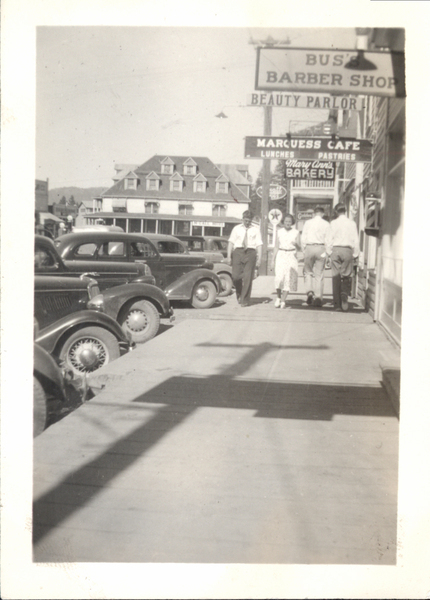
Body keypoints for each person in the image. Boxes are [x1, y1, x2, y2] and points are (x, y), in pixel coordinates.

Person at [327, 203, 359, 312]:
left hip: (336, 249)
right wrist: (355, 254)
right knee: (347, 275)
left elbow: (329, 239)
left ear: (336, 211)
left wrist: (329, 252)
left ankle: (337, 304)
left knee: (336, 277)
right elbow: (355, 239)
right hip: (347, 250)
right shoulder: (352, 223)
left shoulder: (333, 223)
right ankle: (344, 293)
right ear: (345, 210)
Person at [227, 210, 263, 307]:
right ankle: (239, 294)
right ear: (242, 219)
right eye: (246, 220)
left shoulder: (255, 229)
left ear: (251, 220)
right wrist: (228, 256)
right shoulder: (236, 228)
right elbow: (231, 242)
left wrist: (260, 258)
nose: (247, 222)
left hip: (251, 253)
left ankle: (244, 300)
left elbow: (259, 244)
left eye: (249, 221)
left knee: (248, 277)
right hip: (238, 252)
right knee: (235, 276)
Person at [301, 205, 330, 307]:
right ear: (322, 214)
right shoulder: (326, 224)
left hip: (309, 247)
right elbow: (328, 239)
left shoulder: (308, 223)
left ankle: (309, 292)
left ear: (314, 214)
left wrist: (304, 250)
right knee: (319, 274)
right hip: (321, 248)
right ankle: (318, 297)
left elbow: (303, 237)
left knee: (308, 272)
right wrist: (328, 253)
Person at [271, 213, 300, 309]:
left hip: (291, 255)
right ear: (283, 222)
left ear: (292, 223)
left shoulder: (296, 232)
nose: (288, 223)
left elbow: (300, 248)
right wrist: (272, 260)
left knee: (288, 278)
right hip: (281, 254)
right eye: (286, 221)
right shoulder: (279, 232)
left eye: (290, 221)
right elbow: (276, 246)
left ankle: (283, 300)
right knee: (279, 277)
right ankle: (278, 297)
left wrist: (296, 244)